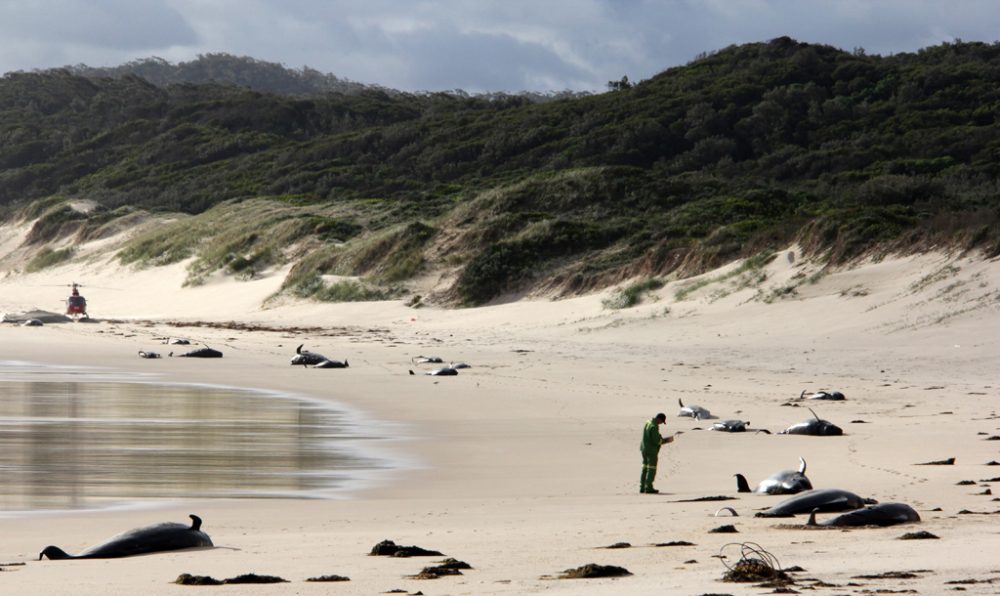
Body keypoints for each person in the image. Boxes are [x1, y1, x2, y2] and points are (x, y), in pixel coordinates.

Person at [640, 412, 675, 494]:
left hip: (644, 448)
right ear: (659, 419)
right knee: (651, 469)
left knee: (645, 468)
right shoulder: (654, 426)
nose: (661, 424)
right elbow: (656, 441)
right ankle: (648, 487)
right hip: (651, 450)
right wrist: (667, 440)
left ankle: (642, 487)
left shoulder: (648, 422)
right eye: (661, 422)